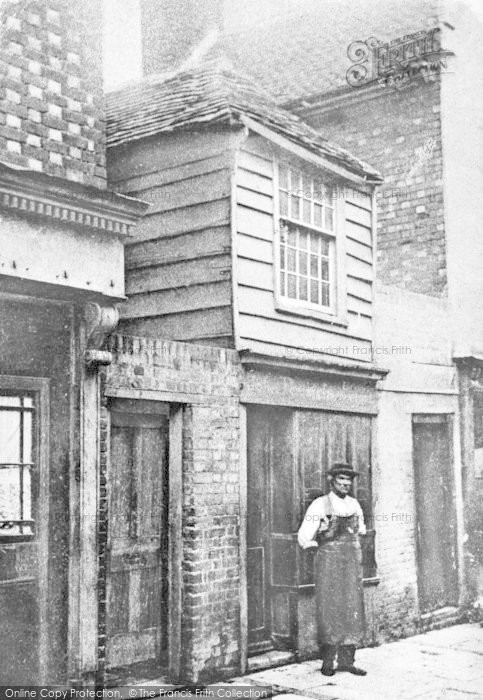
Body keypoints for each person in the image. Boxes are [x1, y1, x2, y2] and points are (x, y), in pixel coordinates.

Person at [297, 463, 367, 676]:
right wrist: (320, 533)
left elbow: (361, 530)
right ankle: (328, 662)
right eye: (341, 479)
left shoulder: (354, 505)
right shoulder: (320, 505)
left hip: (351, 564)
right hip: (329, 564)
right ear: (332, 480)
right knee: (330, 607)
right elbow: (304, 536)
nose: (345, 483)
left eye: (349, 479)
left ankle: (348, 661)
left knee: (352, 607)